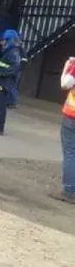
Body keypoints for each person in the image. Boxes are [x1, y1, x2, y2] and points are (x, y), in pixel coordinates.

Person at [52, 57, 75, 203]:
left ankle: (69, 190)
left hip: (72, 117)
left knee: (70, 153)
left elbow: (65, 84)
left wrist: (67, 66)